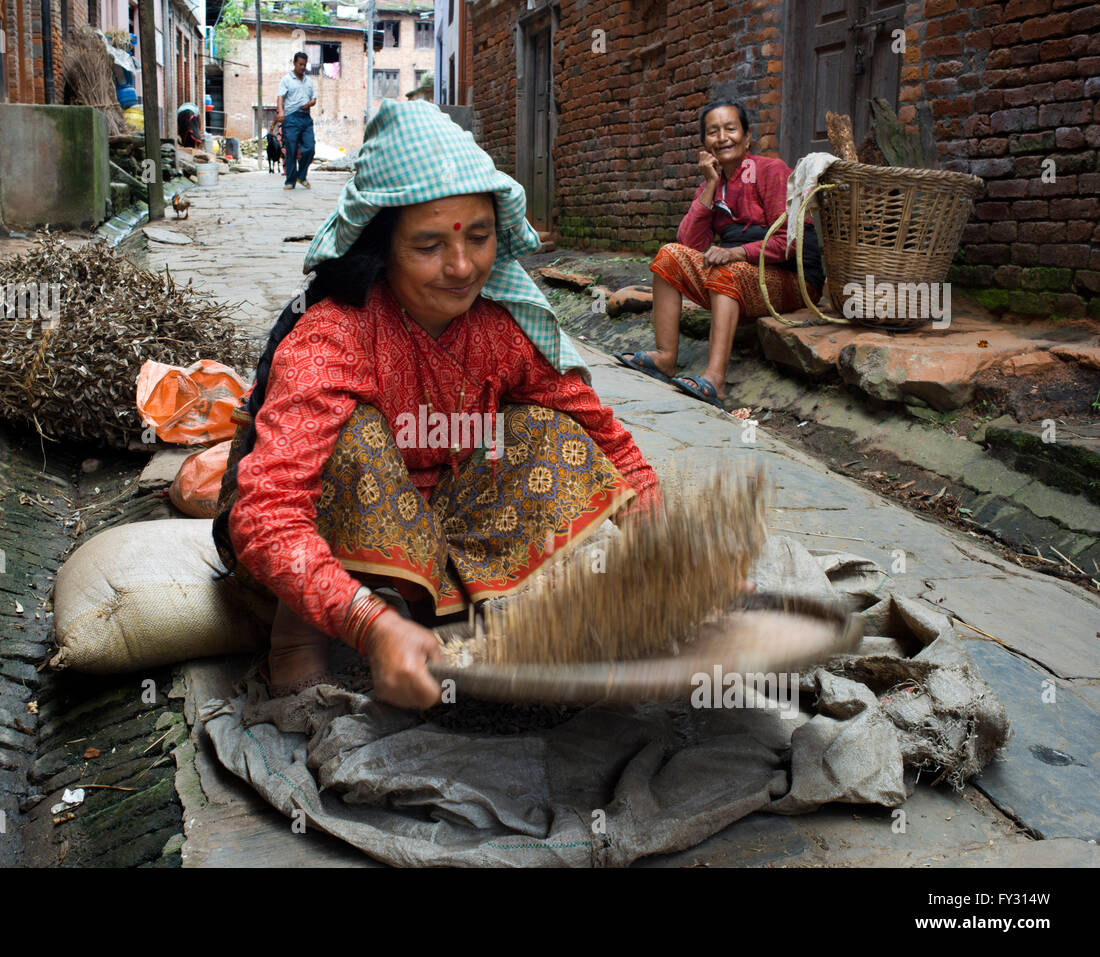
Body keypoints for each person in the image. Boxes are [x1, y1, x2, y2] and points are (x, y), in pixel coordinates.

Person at [213, 100, 659, 710]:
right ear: (382, 247)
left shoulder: (502, 328)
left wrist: (662, 532)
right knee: (354, 436)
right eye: (428, 245)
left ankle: (443, 603)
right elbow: (267, 515)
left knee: (548, 433)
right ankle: (298, 640)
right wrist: (371, 626)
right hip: (315, 540)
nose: (461, 266)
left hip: (439, 527)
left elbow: (598, 429)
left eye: (479, 238)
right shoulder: (334, 336)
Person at [619, 101, 823, 409]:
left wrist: (737, 252)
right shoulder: (714, 184)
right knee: (668, 256)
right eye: (713, 132)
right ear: (704, 144)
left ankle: (715, 379)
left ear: (747, 136)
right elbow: (689, 242)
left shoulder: (771, 171)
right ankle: (665, 358)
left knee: (727, 268)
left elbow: (791, 241)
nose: (723, 137)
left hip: (794, 280)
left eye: (731, 128)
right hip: (746, 276)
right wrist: (710, 186)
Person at [276, 52, 317, 190]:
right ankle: (290, 181)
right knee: (291, 150)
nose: (302, 67)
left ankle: (301, 176)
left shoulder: (309, 81)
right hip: (291, 118)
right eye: (300, 64)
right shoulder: (286, 79)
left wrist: (310, 104)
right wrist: (281, 112)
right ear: (294, 63)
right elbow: (280, 97)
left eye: (305, 64)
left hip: (305, 118)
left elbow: (314, 98)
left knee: (310, 148)